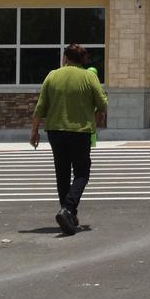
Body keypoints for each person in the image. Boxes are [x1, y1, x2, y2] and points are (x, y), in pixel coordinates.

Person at [30, 44, 108, 235]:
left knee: (62, 173)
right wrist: (98, 116)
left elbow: (41, 106)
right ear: (82, 60)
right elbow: (102, 103)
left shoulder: (52, 75)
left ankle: (69, 214)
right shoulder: (89, 76)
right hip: (80, 132)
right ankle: (68, 209)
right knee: (82, 173)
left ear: (65, 58)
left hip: (55, 131)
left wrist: (34, 131)